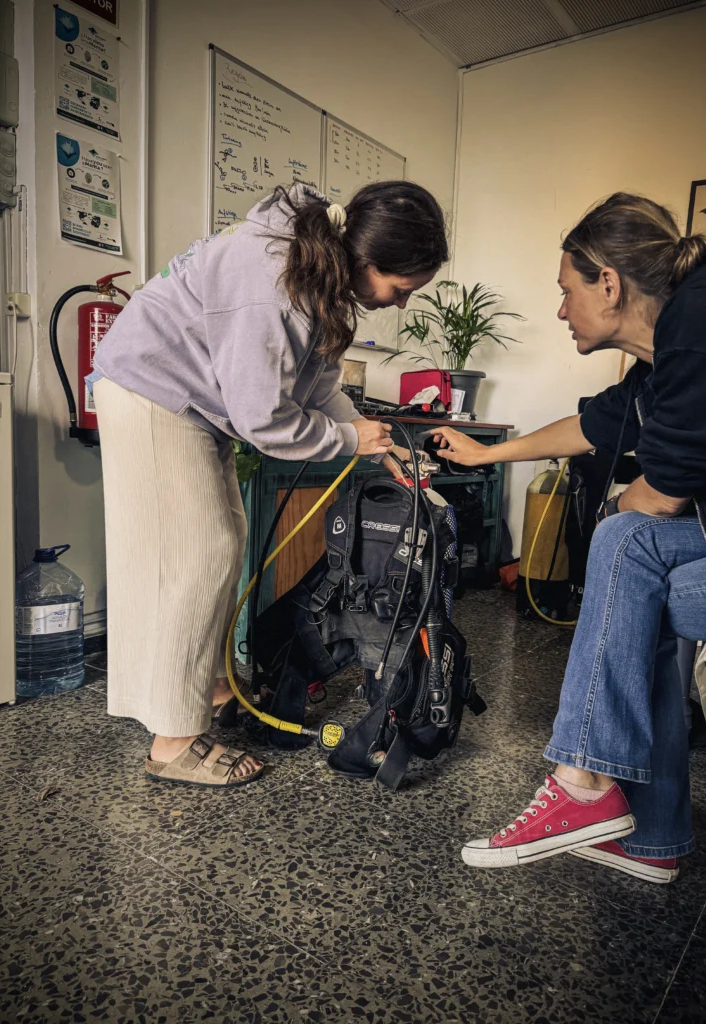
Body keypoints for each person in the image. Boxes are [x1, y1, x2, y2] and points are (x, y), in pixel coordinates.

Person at [432, 192, 706, 882]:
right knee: (628, 587)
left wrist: (619, 509)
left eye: (566, 291)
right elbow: (595, 424)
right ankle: (643, 832)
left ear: (608, 283)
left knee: (623, 555)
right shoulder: (674, 344)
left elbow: (660, 498)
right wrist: (484, 455)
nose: (560, 310)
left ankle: (587, 787)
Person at [91, 181, 448, 787]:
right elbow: (264, 421)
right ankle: (172, 741)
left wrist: (369, 437)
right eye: (401, 289)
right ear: (367, 261)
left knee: (223, 542)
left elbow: (317, 385)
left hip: (191, 402)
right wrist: (346, 442)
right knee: (193, 557)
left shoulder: (318, 273)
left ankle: (207, 691)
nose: (401, 303)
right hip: (152, 389)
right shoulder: (274, 286)